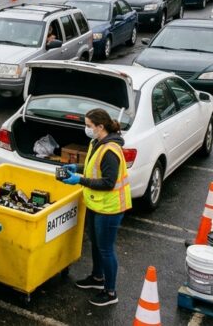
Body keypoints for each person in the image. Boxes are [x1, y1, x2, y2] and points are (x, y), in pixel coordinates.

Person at [60, 108, 131, 307]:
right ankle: (97, 278)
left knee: (106, 249)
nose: (86, 129)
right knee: (96, 243)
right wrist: (77, 168)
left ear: (100, 127)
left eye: (89, 125)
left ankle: (110, 292)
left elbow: (108, 182)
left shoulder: (110, 151)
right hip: (96, 203)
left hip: (110, 208)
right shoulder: (96, 142)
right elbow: (93, 167)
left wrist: (79, 180)